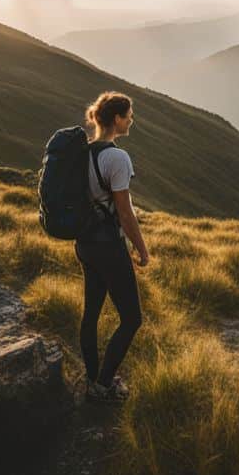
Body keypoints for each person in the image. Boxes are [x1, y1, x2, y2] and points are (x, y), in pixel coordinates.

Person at [77, 91, 149, 402]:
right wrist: (142, 250)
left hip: (85, 243)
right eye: (129, 115)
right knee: (132, 318)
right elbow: (124, 212)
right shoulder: (117, 158)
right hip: (109, 245)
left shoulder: (80, 153)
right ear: (117, 119)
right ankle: (104, 384)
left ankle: (92, 377)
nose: (132, 120)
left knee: (91, 312)